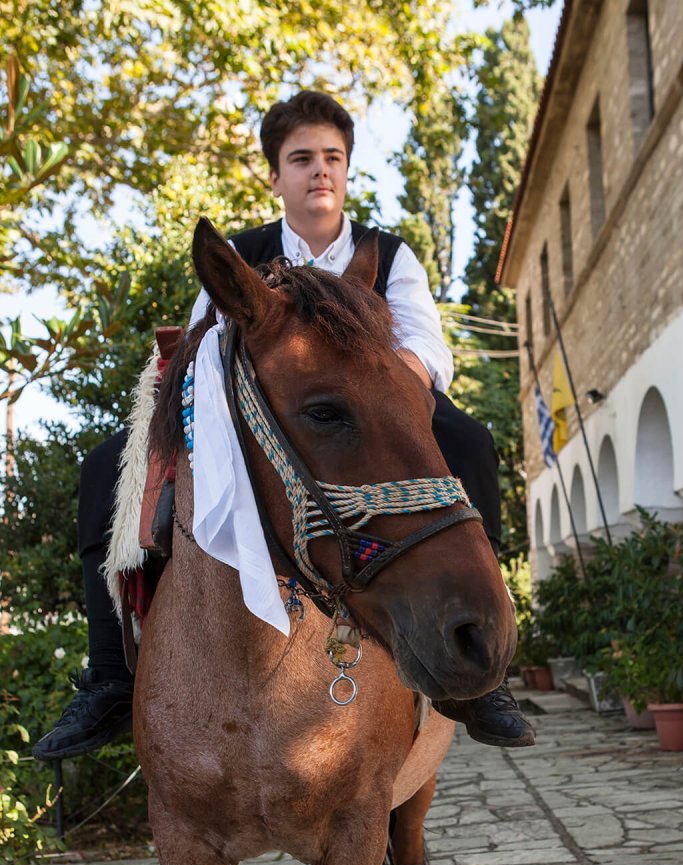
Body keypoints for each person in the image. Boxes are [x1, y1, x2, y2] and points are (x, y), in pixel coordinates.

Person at [33, 90, 534, 761]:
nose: (319, 170)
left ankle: (480, 678)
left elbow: (427, 345)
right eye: (302, 158)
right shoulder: (241, 254)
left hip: (381, 405)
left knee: (472, 441)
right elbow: (200, 348)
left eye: (332, 157)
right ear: (276, 176)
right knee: (104, 468)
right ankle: (109, 677)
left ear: (348, 170)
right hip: (257, 413)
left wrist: (378, 388)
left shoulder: (389, 254)